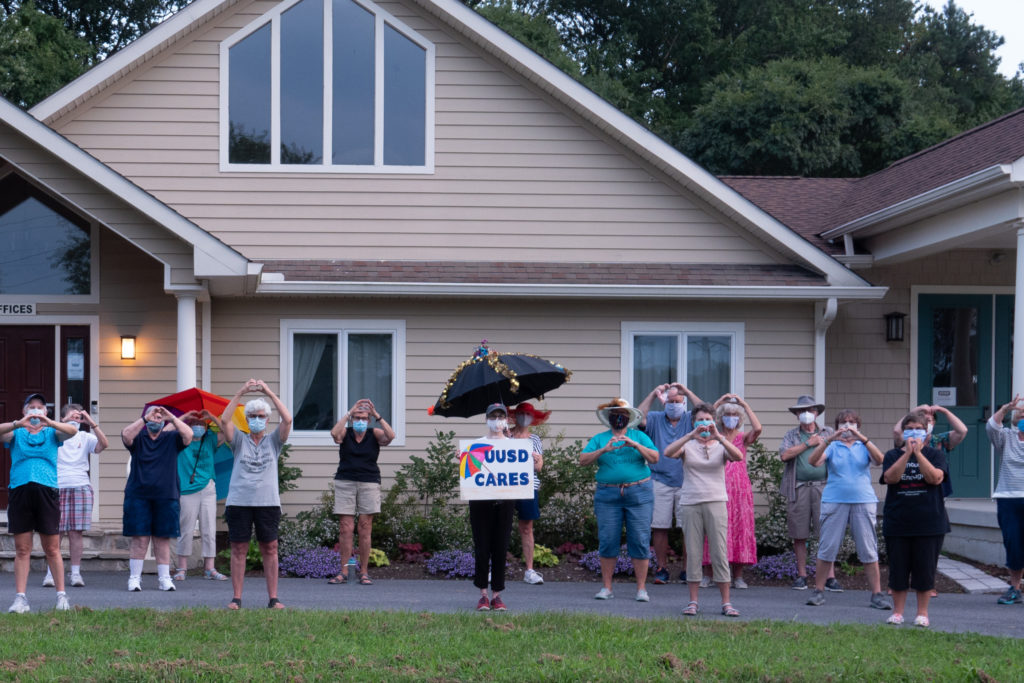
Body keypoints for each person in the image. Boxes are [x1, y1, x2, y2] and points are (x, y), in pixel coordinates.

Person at [804, 409, 892, 610]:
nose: (847, 425)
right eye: (843, 422)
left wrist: (862, 437)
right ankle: (818, 591)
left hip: (863, 500)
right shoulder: (833, 446)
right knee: (827, 547)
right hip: (834, 500)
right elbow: (813, 462)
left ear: (858, 426)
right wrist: (829, 439)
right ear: (836, 427)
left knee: (868, 548)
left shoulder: (863, 445)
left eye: (852, 422)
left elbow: (880, 460)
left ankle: (877, 595)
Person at [665, 402, 744, 617]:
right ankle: (693, 602)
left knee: (719, 551)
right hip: (691, 502)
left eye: (708, 419)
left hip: (716, 501)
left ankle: (726, 603)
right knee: (693, 552)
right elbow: (668, 452)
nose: (704, 423)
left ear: (714, 422)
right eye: (700, 419)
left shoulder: (721, 444)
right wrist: (691, 435)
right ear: (693, 422)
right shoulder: (688, 445)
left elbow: (738, 456)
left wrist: (719, 437)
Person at [1, 393, 77, 613]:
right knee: (22, 549)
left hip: (47, 491)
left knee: (52, 548)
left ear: (45, 412)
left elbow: (72, 431)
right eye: (31, 407)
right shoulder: (15, 433)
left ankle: (61, 596)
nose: (35, 411)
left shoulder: (53, 433)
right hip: (20, 491)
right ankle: (20, 599)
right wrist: (18, 423)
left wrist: (49, 422)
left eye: (40, 408)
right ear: (24, 412)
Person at [221, 379, 292, 610]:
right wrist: (241, 392)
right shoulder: (239, 441)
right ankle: (236, 598)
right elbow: (224, 420)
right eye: (253, 416)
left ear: (267, 419)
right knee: (239, 548)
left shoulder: (274, 441)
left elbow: (288, 419)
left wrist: (268, 393)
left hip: (267, 503)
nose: (257, 420)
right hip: (239, 502)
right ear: (248, 419)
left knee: (270, 548)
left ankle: (273, 598)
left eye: (261, 416)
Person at [580, 398, 658, 602]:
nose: (619, 418)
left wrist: (635, 445)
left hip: (639, 493)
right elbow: (583, 460)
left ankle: (641, 589)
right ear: (609, 418)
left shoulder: (639, 436)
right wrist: (603, 450)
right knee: (607, 540)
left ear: (629, 418)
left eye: (623, 415)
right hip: (608, 495)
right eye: (616, 415)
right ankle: (607, 588)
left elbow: (655, 458)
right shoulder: (600, 438)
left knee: (640, 540)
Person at [880, 412, 950, 627]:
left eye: (918, 428)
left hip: (930, 522)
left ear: (926, 431)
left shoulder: (935, 455)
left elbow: (935, 478)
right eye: (909, 428)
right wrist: (906, 454)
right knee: (898, 570)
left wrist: (918, 454)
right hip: (898, 522)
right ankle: (898, 613)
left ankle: (922, 614)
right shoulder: (892, 455)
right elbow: (890, 478)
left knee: (925, 570)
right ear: (903, 431)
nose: (914, 432)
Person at [121, 404, 193, 592]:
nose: (156, 419)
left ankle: (165, 579)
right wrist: (146, 418)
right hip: (138, 495)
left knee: (162, 539)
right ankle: (134, 578)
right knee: (140, 539)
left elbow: (189, 435)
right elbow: (126, 435)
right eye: (152, 417)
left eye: (159, 417)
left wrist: (171, 417)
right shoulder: (139, 437)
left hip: (166, 495)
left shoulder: (172, 438)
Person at [637, 382, 701, 584]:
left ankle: (687, 570)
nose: (674, 404)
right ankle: (661, 568)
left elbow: (708, 412)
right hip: (659, 480)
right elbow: (637, 417)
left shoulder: (691, 419)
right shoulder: (655, 418)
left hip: (687, 480)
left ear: (683, 403)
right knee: (659, 527)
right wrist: (652, 394)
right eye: (670, 401)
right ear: (665, 403)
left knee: (688, 528)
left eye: (677, 401)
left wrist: (688, 392)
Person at [327, 398, 394, 586]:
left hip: (369, 482)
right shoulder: (345, 433)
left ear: (369, 420)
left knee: (364, 528)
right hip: (345, 481)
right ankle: (345, 570)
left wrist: (377, 416)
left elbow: (391, 436)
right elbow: (334, 434)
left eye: (364, 418)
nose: (360, 420)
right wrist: (349, 412)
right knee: (346, 528)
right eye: (357, 417)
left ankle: (363, 572)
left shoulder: (374, 433)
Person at [42, 404, 108, 589]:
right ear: (62, 419)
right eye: (71, 417)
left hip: (81, 487)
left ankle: (76, 573)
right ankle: (50, 573)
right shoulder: (54, 435)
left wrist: (92, 423)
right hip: (56, 487)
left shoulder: (86, 437)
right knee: (56, 532)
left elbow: (104, 445)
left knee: (76, 532)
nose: (75, 421)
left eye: (78, 418)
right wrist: (58, 423)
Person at [778, 395, 839, 591]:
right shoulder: (791, 436)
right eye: (802, 410)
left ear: (817, 413)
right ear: (796, 414)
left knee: (826, 533)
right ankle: (802, 575)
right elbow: (784, 455)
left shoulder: (828, 432)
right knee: (799, 534)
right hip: (799, 488)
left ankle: (830, 577)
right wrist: (808, 444)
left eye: (810, 410)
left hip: (825, 487)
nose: (806, 414)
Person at [699, 394, 760, 589]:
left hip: (740, 489)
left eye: (735, 414)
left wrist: (744, 405)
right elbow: (705, 419)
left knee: (739, 530)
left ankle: (738, 576)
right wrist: (718, 403)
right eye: (728, 414)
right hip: (716, 486)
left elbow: (758, 428)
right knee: (712, 529)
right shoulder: (713, 434)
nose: (731, 417)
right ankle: (708, 575)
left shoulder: (743, 438)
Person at [469, 403, 517, 611]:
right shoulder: (477, 444)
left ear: (506, 419)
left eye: (501, 416)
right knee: (482, 547)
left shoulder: (514, 447)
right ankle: (482, 594)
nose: (497, 420)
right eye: (493, 416)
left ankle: (497, 594)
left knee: (500, 547)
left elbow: (523, 471)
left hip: (505, 502)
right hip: (481, 502)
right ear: (486, 419)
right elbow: (470, 472)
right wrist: (462, 458)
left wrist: (533, 461)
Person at [174, 410, 229, 582]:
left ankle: (209, 569)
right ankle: (181, 568)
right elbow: (167, 431)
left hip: (207, 488)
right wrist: (183, 418)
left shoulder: (210, 439)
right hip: (187, 489)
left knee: (209, 528)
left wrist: (212, 417)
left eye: (201, 424)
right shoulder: (182, 440)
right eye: (194, 424)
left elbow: (228, 433)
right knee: (186, 529)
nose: (198, 427)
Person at [988, 395, 1024, 606]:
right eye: (1021, 415)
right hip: (1008, 498)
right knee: (1013, 544)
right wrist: (1005, 408)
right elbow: (992, 427)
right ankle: (1015, 588)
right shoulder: (1007, 438)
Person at [508, 402, 548, 585]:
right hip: (505, 486)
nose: (524, 417)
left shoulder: (535, 440)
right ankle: (497, 568)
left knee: (526, 527)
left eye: (528, 414)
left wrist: (536, 460)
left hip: (528, 486)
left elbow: (539, 468)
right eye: (521, 413)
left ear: (533, 418)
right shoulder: (504, 435)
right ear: (515, 416)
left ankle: (529, 570)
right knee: (501, 526)